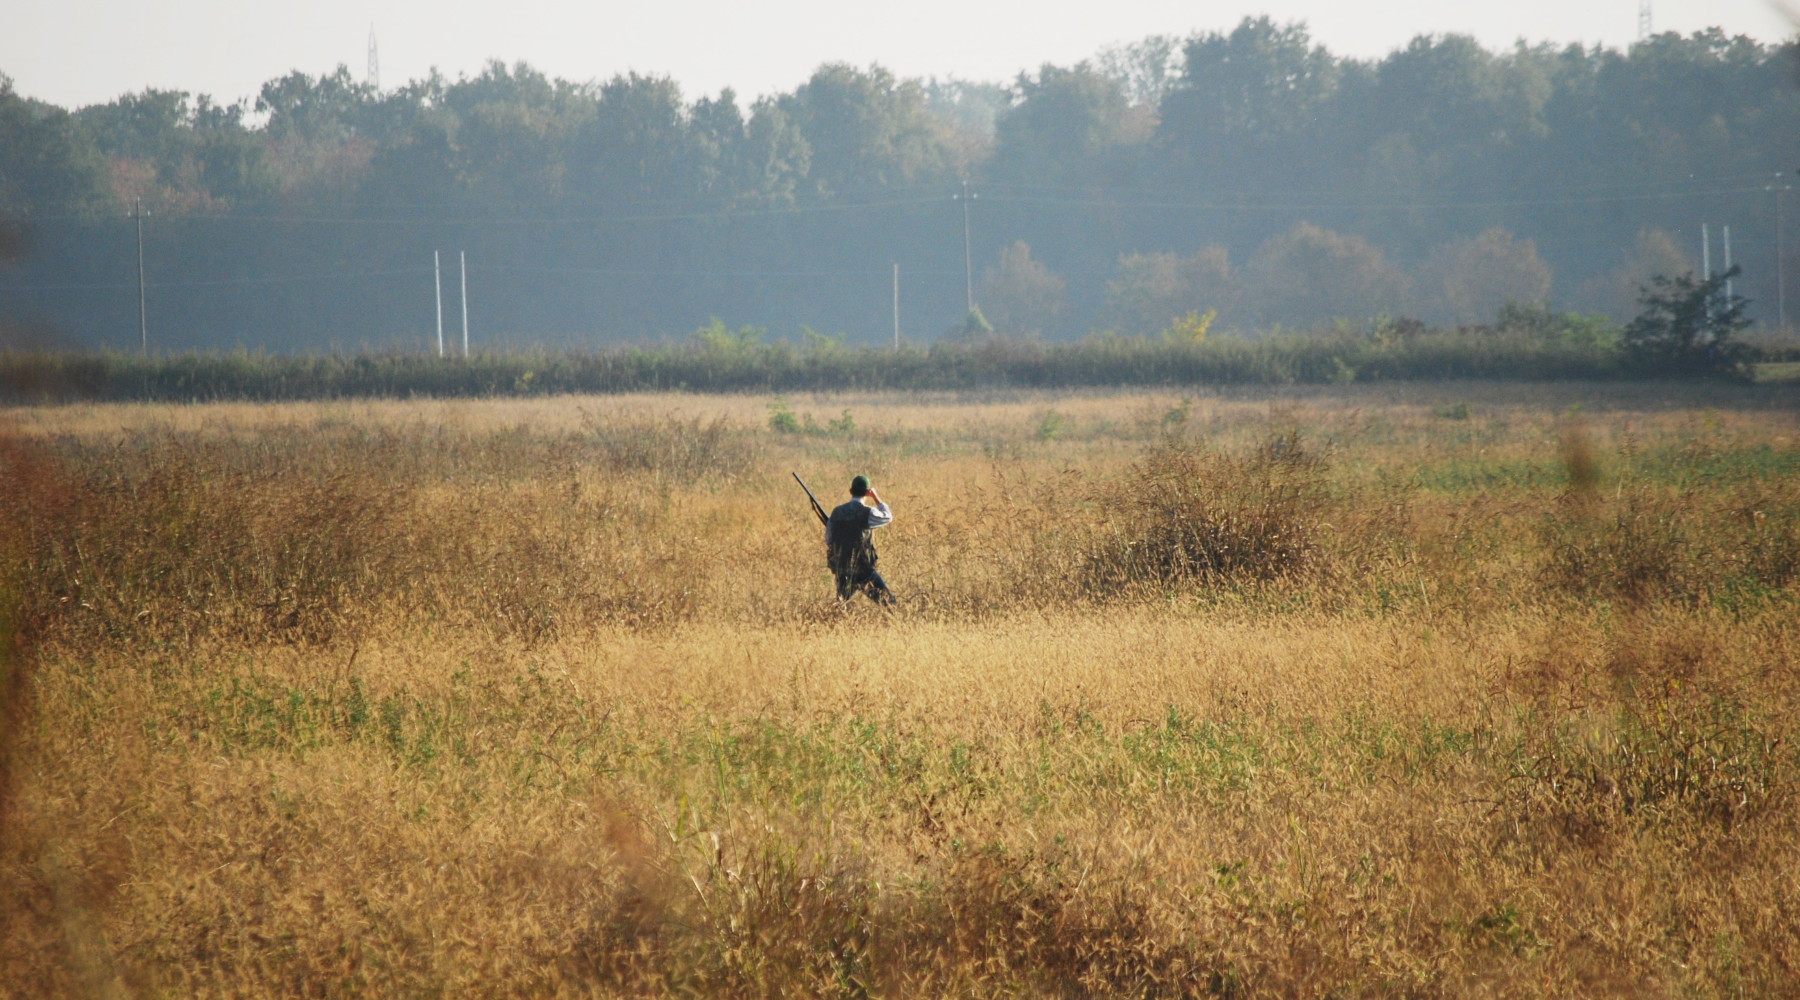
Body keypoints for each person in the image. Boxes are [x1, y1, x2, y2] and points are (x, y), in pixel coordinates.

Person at [825, 474, 894, 604]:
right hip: (864, 570)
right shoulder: (868, 512)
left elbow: (829, 540)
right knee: (889, 604)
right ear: (868, 492)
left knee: (841, 605)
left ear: (850, 491)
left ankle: (831, 623)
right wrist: (876, 497)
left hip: (843, 569)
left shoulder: (836, 512)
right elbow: (888, 517)